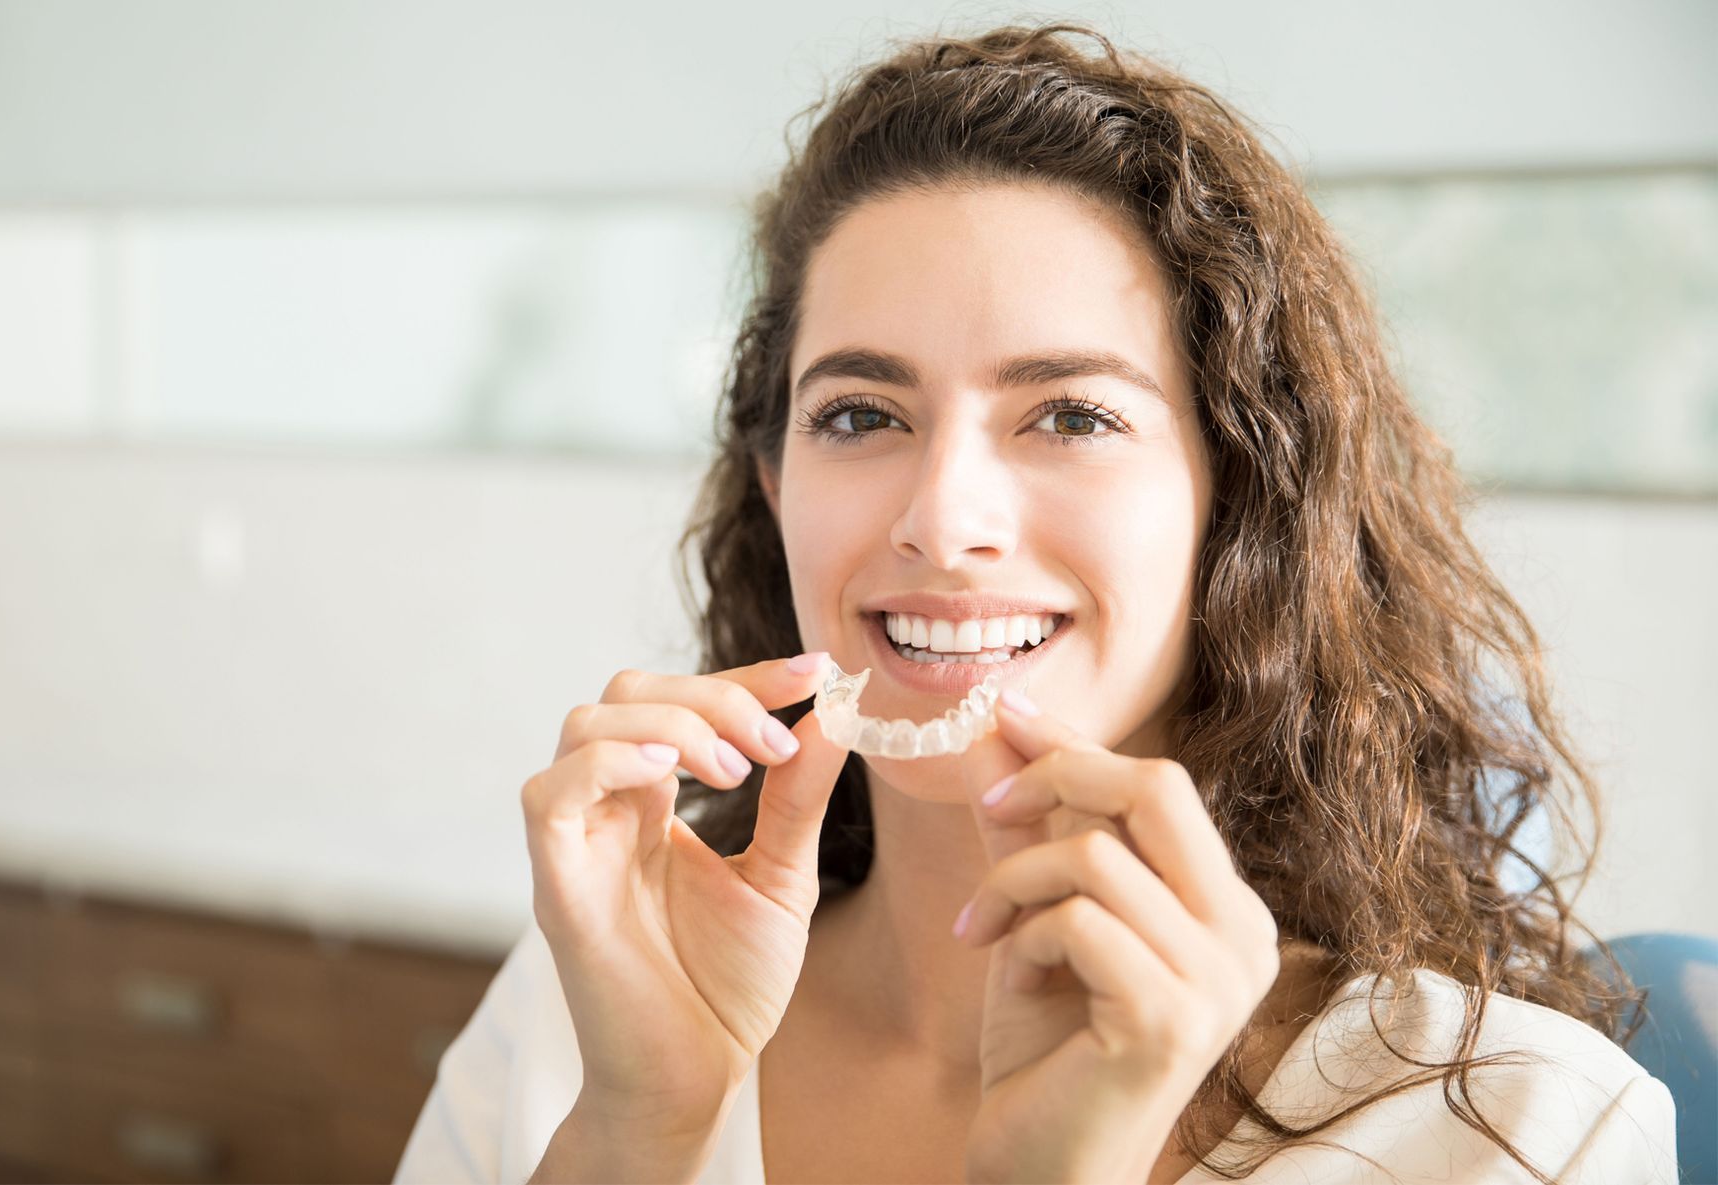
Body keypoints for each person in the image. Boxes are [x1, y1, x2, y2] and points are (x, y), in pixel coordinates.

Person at [394, 22, 1678, 1184]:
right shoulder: (592, 1010)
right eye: (860, 414)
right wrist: (634, 1135)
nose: (944, 520)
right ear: (776, 486)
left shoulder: (1518, 1133)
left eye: (1071, 414)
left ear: (1238, 501)